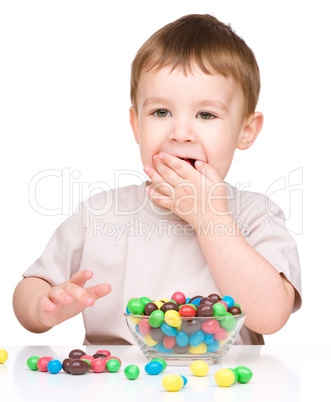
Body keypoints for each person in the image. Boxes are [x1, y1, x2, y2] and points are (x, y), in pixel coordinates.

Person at [13, 14, 302, 345]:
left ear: (245, 130)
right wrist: (41, 308)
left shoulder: (256, 215)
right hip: (117, 388)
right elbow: (32, 285)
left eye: (206, 114)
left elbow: (271, 315)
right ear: (137, 125)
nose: (180, 133)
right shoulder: (98, 214)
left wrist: (210, 218)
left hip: (219, 387)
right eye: (161, 113)